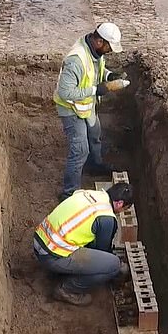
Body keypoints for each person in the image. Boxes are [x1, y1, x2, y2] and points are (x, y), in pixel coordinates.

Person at [53, 22, 128, 201]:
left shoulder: (95, 52)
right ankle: (69, 193)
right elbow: (65, 92)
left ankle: (94, 165)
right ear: (100, 41)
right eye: (109, 46)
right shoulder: (76, 60)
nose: (110, 51)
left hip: (86, 106)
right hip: (70, 108)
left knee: (94, 135)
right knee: (80, 150)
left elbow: (96, 71)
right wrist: (97, 90)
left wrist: (110, 76)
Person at [33, 182, 133, 306]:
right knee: (113, 265)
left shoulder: (88, 193)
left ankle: (60, 271)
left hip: (40, 240)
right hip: (51, 256)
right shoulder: (107, 219)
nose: (121, 212)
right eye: (125, 208)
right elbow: (102, 251)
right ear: (120, 203)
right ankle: (67, 290)